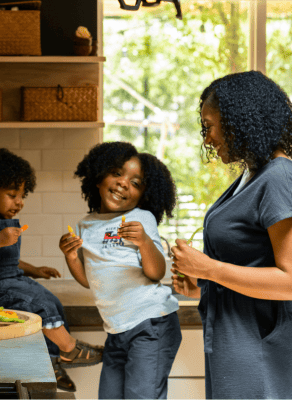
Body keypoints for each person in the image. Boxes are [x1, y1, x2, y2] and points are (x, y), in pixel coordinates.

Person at [170, 70, 292, 399]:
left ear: (238, 121)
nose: (207, 138)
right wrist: (201, 285)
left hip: (257, 345)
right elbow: (249, 265)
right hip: (233, 340)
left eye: (209, 126)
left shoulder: (279, 177)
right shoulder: (252, 174)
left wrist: (208, 269)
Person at [0, 147, 104, 393]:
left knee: (51, 301)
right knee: (37, 304)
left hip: (10, 279)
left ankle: (52, 362)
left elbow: (6, 261)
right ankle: (70, 348)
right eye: (12, 194)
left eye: (21, 195)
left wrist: (35, 270)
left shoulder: (0, 218)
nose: (19, 201)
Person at [60, 141, 181, 399]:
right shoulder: (86, 225)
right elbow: (89, 279)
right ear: (98, 177)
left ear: (144, 194)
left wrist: (145, 242)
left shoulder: (141, 219)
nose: (124, 183)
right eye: (117, 173)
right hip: (116, 330)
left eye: (136, 183)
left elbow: (157, 272)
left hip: (151, 324)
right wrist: (71, 257)